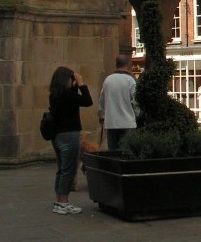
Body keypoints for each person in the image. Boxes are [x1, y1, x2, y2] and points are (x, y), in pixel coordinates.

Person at [47, 65, 93, 215]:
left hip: (57, 136)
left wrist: (73, 87)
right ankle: (64, 202)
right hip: (69, 134)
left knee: (61, 169)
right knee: (69, 170)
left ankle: (58, 201)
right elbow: (87, 101)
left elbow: (71, 100)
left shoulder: (55, 94)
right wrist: (81, 84)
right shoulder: (67, 95)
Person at [97, 54, 140, 152]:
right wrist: (137, 115)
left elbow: (102, 101)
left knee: (113, 153)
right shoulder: (130, 80)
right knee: (126, 152)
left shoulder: (108, 80)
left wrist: (101, 116)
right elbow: (135, 101)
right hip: (127, 123)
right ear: (127, 64)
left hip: (112, 123)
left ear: (116, 64)